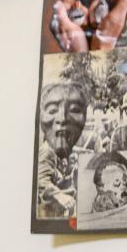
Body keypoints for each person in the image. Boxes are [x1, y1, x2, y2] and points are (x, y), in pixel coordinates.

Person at [35, 81, 85, 219]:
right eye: (52, 111)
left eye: (74, 110)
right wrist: (59, 195)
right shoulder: (47, 151)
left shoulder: (61, 151)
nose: (62, 119)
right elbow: (42, 181)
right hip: (49, 213)